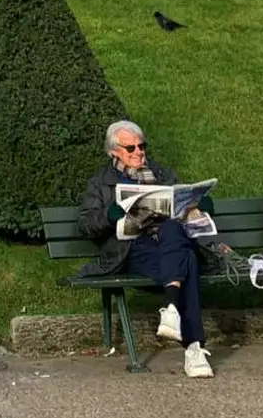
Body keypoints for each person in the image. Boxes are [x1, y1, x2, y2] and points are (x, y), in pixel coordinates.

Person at [79, 121, 216, 378]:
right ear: (114, 152)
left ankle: (172, 312)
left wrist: (199, 203)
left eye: (142, 146)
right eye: (130, 148)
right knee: (187, 260)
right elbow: (86, 224)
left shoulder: (161, 174)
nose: (139, 152)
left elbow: (183, 199)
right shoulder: (102, 182)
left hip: (168, 244)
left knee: (174, 233)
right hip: (133, 249)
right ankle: (194, 346)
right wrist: (111, 214)